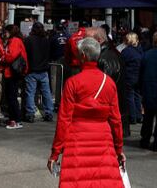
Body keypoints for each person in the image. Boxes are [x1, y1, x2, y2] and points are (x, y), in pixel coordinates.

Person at [48, 37, 125, 186]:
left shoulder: (73, 83)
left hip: (77, 140)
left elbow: (64, 120)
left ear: (83, 55)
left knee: (77, 181)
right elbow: (116, 119)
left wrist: (55, 153)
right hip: (103, 140)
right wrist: (118, 148)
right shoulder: (109, 83)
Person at [23, 21, 54, 122]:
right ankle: (49, 112)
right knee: (46, 93)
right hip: (44, 69)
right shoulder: (46, 40)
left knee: (30, 92)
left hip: (32, 70)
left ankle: (30, 113)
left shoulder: (28, 40)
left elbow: (25, 54)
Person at [0, 24, 28, 129]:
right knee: (10, 97)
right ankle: (13, 118)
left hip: (12, 73)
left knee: (12, 97)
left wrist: (3, 57)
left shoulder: (15, 41)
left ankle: (16, 120)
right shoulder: (15, 40)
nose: (4, 33)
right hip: (11, 72)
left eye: (6, 31)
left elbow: (11, 56)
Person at [119, 32, 142, 125]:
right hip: (138, 76)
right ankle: (139, 116)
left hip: (129, 76)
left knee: (130, 96)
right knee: (137, 96)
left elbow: (121, 63)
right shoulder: (140, 51)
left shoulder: (126, 52)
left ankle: (132, 117)